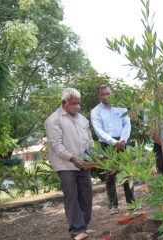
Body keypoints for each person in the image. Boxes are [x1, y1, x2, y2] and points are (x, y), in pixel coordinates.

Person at [45, 88, 94, 240]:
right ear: (64, 103)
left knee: (87, 195)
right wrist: (73, 158)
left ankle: (84, 227)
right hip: (65, 165)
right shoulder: (53, 120)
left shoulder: (82, 119)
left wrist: (95, 156)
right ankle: (77, 230)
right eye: (74, 103)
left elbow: (89, 141)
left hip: (84, 163)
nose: (78, 106)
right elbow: (56, 145)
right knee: (71, 197)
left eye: (79, 103)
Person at [91, 85, 134, 215]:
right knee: (110, 177)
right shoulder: (96, 111)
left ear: (112, 93)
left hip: (123, 141)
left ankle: (132, 205)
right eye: (103, 94)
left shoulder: (121, 107)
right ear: (99, 96)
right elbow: (98, 130)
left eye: (108, 93)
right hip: (107, 145)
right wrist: (114, 142)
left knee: (128, 174)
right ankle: (113, 206)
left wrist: (123, 140)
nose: (106, 96)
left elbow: (127, 124)